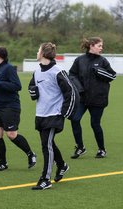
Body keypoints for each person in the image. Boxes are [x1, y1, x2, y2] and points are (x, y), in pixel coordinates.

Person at [28, 42, 78, 190]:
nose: (36, 52)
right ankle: (62, 165)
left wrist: (65, 112)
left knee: (46, 145)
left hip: (54, 114)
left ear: (43, 53)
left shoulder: (58, 71)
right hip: (41, 113)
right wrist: (32, 91)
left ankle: (45, 179)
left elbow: (71, 92)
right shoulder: (36, 72)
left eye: (38, 49)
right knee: (47, 142)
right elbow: (32, 86)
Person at [0, 47, 36, 171]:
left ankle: (30, 154)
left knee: (11, 135)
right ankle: (2, 162)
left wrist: (0, 84)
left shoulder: (9, 68)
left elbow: (17, 86)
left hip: (9, 106)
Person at [68, 37, 116, 159]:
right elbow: (72, 74)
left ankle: (102, 149)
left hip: (98, 98)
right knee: (75, 119)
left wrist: (100, 71)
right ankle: (80, 147)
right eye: (99, 46)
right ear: (92, 46)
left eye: (101, 46)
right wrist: (79, 88)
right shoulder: (79, 60)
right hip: (83, 98)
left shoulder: (103, 61)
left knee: (95, 124)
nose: (101, 48)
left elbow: (112, 76)